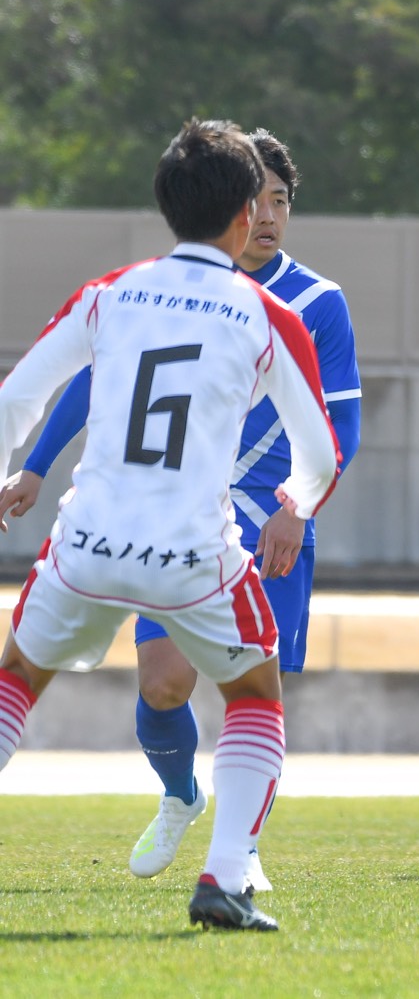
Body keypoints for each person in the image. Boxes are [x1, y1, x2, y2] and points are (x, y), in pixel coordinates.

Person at [0, 129, 362, 893]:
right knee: (253, 696)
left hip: (87, 541)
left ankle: (227, 844)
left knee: (15, 680)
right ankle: (226, 872)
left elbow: (17, 396)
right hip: (195, 550)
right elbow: (323, 449)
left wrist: (16, 469)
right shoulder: (267, 315)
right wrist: (301, 496)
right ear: (241, 212)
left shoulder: (108, 291)